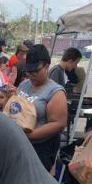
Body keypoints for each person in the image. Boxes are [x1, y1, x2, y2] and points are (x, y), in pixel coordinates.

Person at [18, 44, 68, 172]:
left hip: (41, 148)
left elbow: (58, 124)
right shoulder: (24, 85)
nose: (32, 75)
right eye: (29, 71)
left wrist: (30, 135)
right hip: (20, 144)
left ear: (46, 66)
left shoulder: (55, 92)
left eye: (36, 71)